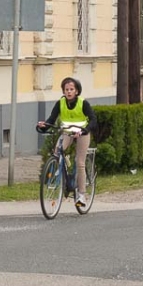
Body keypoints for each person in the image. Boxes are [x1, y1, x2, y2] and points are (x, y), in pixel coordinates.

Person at [37, 77, 98, 207]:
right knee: (57, 152)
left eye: (71, 89)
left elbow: (93, 120)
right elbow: (51, 119)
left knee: (79, 161)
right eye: (66, 89)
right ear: (63, 91)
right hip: (67, 133)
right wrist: (44, 125)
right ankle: (58, 176)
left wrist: (85, 130)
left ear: (76, 91)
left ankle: (81, 195)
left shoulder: (83, 103)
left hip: (81, 133)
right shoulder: (61, 103)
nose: (69, 92)